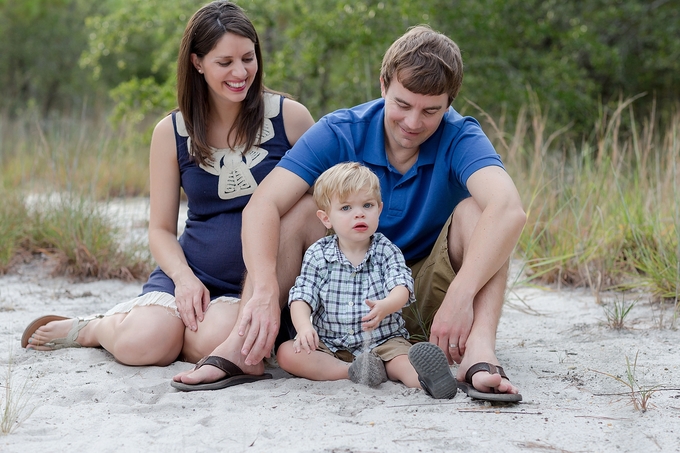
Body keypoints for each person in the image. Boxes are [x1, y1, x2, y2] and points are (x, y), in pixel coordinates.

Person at [175, 25, 526, 402]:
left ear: (450, 102)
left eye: (431, 111)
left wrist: (461, 293)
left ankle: (478, 351)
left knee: (483, 212)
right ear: (383, 85)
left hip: (426, 296)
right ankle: (243, 347)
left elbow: (509, 209)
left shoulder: (461, 136)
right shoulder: (341, 130)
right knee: (306, 208)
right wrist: (262, 289)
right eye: (402, 105)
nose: (413, 123)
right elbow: (264, 203)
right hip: (345, 296)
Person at [20, 0, 315, 386]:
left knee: (226, 341)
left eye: (248, 57)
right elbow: (159, 229)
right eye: (224, 62)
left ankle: (179, 333)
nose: (240, 72)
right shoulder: (171, 132)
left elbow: (320, 207)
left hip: (255, 286)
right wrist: (185, 279)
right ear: (197, 62)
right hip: (190, 273)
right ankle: (94, 328)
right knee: (144, 344)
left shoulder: (289, 118)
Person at [276, 162, 449, 394]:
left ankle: (428, 379)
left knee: (400, 360)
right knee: (287, 353)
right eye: (346, 208)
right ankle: (351, 371)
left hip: (383, 340)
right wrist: (304, 327)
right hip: (330, 344)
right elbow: (302, 297)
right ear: (326, 218)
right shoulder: (318, 254)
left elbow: (402, 286)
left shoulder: (386, 250)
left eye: (367, 205)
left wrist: (387, 305)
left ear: (378, 209)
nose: (359, 213)